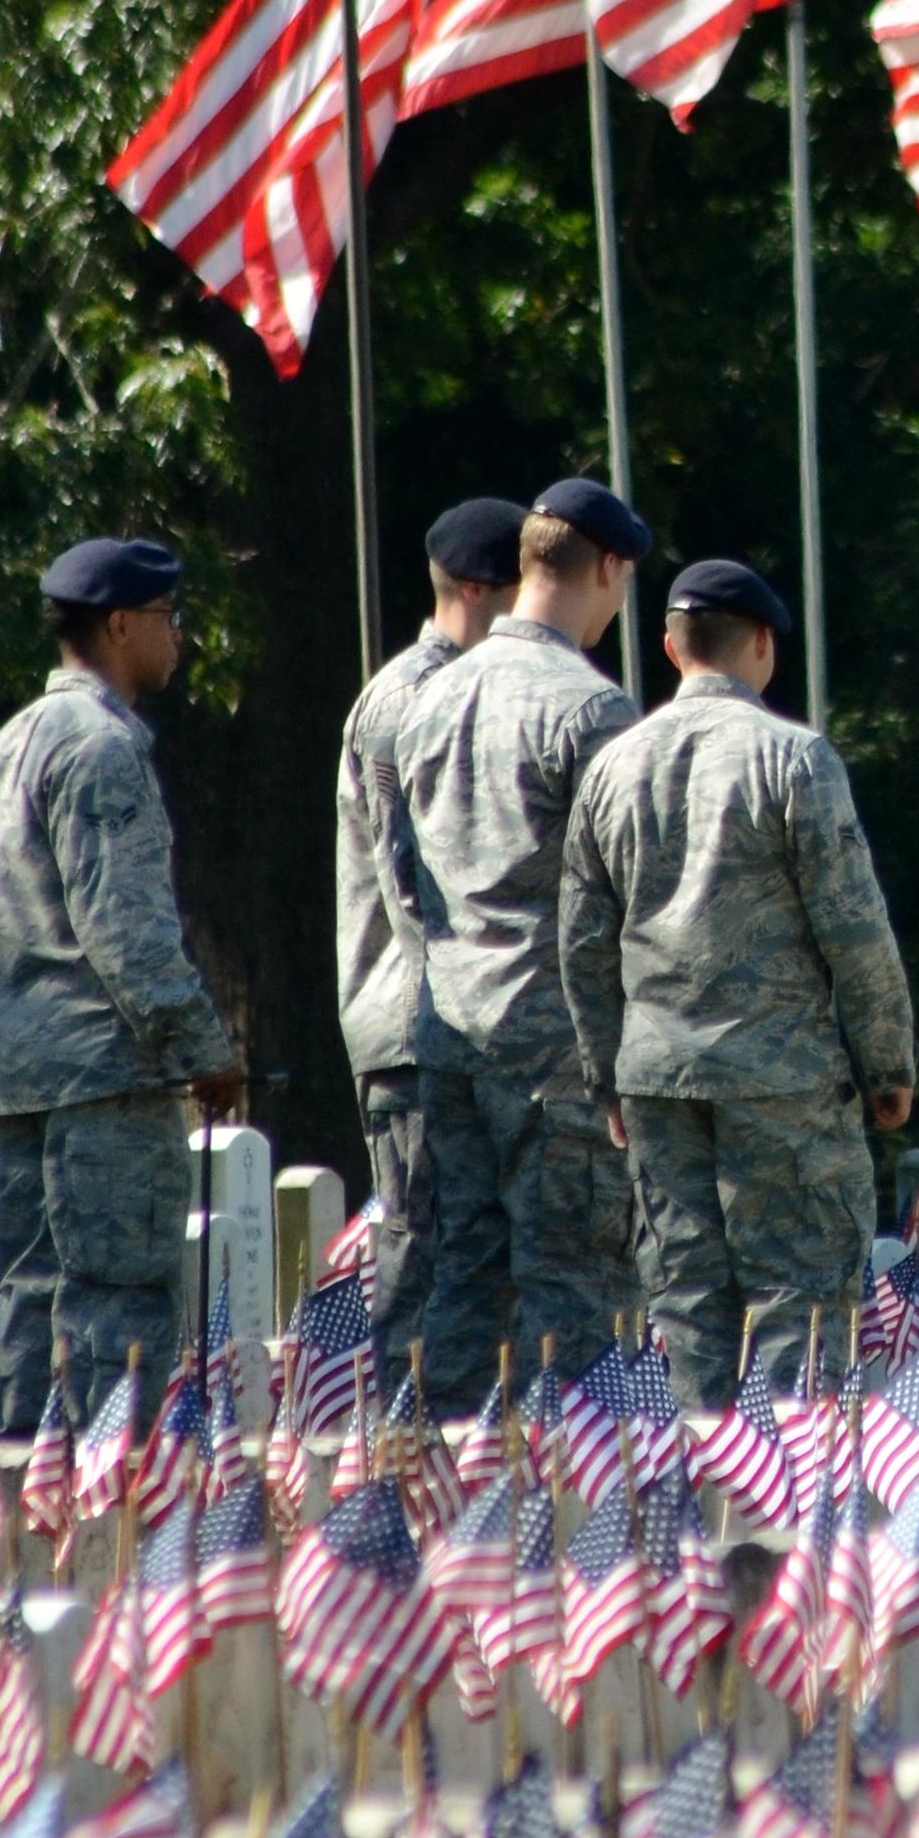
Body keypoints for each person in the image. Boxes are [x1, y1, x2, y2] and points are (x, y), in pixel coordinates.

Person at [561, 558, 917, 1407]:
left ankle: (702, 1500)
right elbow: (854, 926)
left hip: (656, 1082)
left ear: (671, 648)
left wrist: (603, 1072)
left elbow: (581, 942)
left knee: (684, 1301)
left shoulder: (611, 768)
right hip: (780, 1077)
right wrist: (886, 1061)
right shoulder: (795, 758)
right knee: (802, 1298)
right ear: (761, 644)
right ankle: (797, 1508)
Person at [0, 536, 241, 1429]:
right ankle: (108, 1532)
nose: (178, 638)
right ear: (121, 625)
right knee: (120, 1311)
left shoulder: (3, 749)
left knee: (30, 1312)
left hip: (15, 1077)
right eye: (167, 619)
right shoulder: (103, 749)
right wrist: (205, 1050)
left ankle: (23, 1517)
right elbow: (130, 936)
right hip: (104, 1085)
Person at [396, 475, 647, 1409]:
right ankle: (576, 1521)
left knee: (463, 1277)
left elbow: (405, 874)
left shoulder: (428, 699)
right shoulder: (591, 711)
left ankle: (447, 1500)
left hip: (449, 1036)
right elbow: (628, 898)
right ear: (607, 569)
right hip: (558, 1055)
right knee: (577, 1289)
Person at [335, 497, 525, 1369]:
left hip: (445, 1028)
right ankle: (406, 1471)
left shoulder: (457, 689)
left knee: (468, 1267)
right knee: (425, 1266)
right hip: (421, 1034)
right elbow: (414, 888)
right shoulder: (413, 699)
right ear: (487, 588)